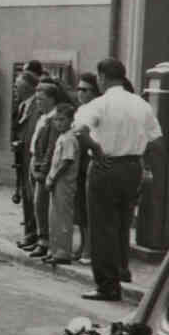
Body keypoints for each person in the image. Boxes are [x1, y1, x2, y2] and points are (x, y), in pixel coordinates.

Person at [73, 58, 163, 301]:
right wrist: (143, 165)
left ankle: (107, 285)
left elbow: (80, 131)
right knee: (123, 223)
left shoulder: (100, 104)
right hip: (132, 167)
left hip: (106, 166)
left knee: (102, 227)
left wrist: (96, 148)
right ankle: (122, 270)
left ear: (102, 77)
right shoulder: (141, 104)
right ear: (123, 77)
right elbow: (156, 140)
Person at [27, 80, 61, 258]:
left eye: (41, 99)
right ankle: (39, 237)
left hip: (43, 166)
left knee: (42, 204)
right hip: (35, 161)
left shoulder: (54, 120)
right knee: (35, 202)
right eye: (37, 99)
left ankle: (44, 241)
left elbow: (51, 147)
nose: (38, 102)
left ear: (51, 99)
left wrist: (42, 169)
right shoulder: (43, 117)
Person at [43, 103, 79, 265]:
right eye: (56, 120)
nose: (58, 123)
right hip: (57, 183)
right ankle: (55, 249)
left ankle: (64, 251)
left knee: (63, 216)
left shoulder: (70, 138)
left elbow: (66, 161)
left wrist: (53, 178)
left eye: (62, 119)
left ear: (71, 120)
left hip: (64, 183)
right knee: (54, 216)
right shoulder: (62, 136)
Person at [73, 72, 101, 263]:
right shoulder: (80, 110)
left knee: (87, 207)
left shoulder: (95, 109)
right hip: (77, 159)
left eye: (85, 89)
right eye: (79, 89)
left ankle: (89, 250)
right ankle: (83, 245)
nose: (80, 93)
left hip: (88, 158)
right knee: (79, 208)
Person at [12, 69, 41, 250]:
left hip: (32, 157)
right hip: (22, 156)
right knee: (26, 196)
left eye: (18, 87)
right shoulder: (23, 105)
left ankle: (34, 235)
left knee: (33, 198)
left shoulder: (37, 107)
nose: (15, 90)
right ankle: (29, 234)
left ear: (28, 87)